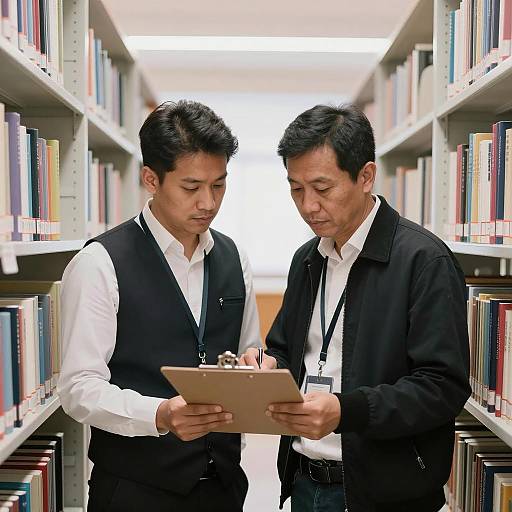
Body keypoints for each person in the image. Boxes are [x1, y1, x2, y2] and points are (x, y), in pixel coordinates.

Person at [241, 104, 471, 512]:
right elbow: (284, 348)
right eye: (296, 189)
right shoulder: (307, 259)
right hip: (305, 481)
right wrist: (266, 365)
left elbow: (443, 387)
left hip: (386, 493)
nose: (308, 205)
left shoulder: (423, 261)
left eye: (322, 188)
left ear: (366, 176)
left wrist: (347, 411)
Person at [58, 100, 261, 512]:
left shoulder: (233, 258)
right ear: (151, 179)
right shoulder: (100, 263)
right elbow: (78, 388)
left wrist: (255, 365)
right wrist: (160, 415)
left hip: (222, 486)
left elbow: (249, 350)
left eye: (219, 185)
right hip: (135, 490)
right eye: (191, 187)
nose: (208, 202)